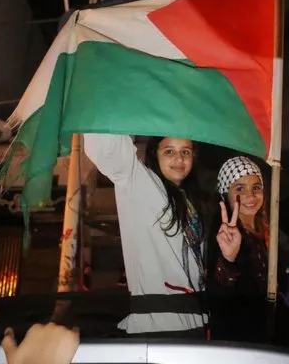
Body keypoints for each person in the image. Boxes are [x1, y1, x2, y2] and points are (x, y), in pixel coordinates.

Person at [84, 134, 208, 336]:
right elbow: (108, 147)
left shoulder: (191, 202)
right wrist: (110, 105)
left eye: (185, 151)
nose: (179, 159)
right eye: (169, 151)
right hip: (158, 328)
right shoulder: (140, 183)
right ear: (154, 154)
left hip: (194, 327)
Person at [207, 156, 269, 342]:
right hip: (237, 339)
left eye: (256, 187)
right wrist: (228, 259)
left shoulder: (265, 230)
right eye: (240, 189)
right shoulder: (225, 233)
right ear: (226, 194)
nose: (250, 196)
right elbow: (218, 292)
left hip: (264, 332)